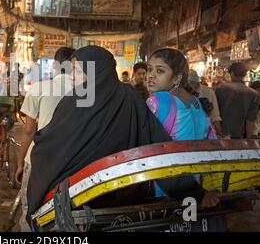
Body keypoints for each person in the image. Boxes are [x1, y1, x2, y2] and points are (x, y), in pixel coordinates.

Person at [27, 46, 172, 220]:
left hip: (78, 200)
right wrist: (192, 192)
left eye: (77, 71)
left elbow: (50, 146)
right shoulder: (131, 97)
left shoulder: (76, 101)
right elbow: (159, 144)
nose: (72, 76)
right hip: (124, 198)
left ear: (97, 71)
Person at [146, 48, 219, 207]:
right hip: (196, 183)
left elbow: (147, 146)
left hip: (167, 185)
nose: (150, 75)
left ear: (177, 78)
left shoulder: (158, 101)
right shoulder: (198, 103)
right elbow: (212, 140)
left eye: (160, 71)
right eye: (149, 69)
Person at [16, 47, 75, 232]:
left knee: (30, 209)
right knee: (65, 211)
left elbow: (28, 130)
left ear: (55, 65)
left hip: (38, 158)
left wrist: (19, 163)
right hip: (71, 160)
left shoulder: (39, 88)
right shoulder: (86, 91)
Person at [215, 62, 259, 139]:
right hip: (239, 134)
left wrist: (218, 132)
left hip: (220, 132)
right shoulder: (253, 93)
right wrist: (248, 139)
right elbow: (250, 119)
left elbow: (214, 113)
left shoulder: (221, 88)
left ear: (232, 73)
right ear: (245, 74)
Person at [188, 70, 224, 137]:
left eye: (191, 83)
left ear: (196, 82)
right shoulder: (184, 92)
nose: (190, 86)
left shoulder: (209, 92)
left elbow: (215, 116)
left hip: (207, 133)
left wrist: (220, 134)